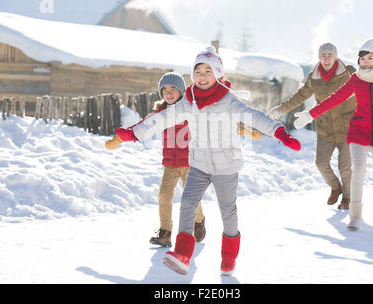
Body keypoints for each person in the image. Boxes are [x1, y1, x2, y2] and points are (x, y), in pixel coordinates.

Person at [114, 46, 301, 275]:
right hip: (199, 164)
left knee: (228, 211)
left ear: (218, 75)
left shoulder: (228, 101)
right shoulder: (188, 102)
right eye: (198, 72)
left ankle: (229, 258)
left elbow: (253, 116)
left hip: (226, 165)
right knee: (187, 203)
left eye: (208, 71)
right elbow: (163, 118)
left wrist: (279, 132)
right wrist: (136, 132)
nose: (202, 77)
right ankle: (182, 253)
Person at [293, 34, 373, 231]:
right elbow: (335, 98)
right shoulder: (356, 79)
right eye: (362, 58)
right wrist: (310, 114)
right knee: (358, 172)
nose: (365, 61)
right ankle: (355, 216)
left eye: (369, 58)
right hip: (359, 129)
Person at [105, 72, 206, 247]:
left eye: (173, 89)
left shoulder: (190, 109)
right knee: (164, 196)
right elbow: (141, 127)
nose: (168, 93)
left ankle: (198, 221)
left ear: (181, 91)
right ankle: (165, 233)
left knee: (190, 198)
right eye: (164, 90)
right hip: (170, 164)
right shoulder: (159, 113)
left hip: (190, 162)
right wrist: (120, 138)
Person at [269, 42, 355, 209]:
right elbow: (300, 95)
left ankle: (348, 197)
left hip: (347, 126)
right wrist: (281, 109)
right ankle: (335, 187)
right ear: (319, 57)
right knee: (321, 163)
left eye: (330, 55)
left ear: (336, 56)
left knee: (345, 166)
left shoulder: (349, 72)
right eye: (323, 55)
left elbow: (364, 87)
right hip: (325, 127)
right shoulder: (314, 77)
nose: (326, 58)